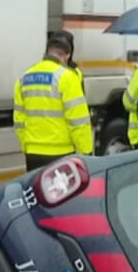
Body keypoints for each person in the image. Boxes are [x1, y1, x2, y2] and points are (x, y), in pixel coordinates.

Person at [13, 35, 94, 171]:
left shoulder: (24, 78)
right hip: (61, 154)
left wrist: (27, 146)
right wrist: (86, 153)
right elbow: (79, 121)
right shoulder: (67, 77)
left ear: (47, 52)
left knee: (37, 191)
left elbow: (19, 120)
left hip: (33, 153)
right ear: (67, 56)